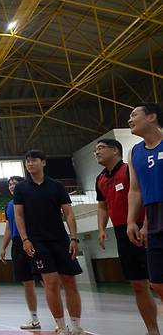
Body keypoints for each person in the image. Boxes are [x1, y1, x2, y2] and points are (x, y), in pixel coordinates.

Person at [14, 150, 84, 335]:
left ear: (43, 163)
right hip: (37, 242)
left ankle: (76, 326)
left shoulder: (57, 186)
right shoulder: (21, 188)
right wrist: (25, 239)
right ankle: (60, 326)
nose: (30, 164)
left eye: (34, 160)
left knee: (70, 282)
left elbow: (68, 213)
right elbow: (19, 215)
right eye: (27, 161)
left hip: (60, 240)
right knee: (51, 282)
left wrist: (73, 237)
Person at [95, 138, 159, 335]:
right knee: (138, 285)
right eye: (95, 150)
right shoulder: (100, 179)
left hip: (144, 228)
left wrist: (146, 224)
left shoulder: (129, 170)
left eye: (101, 148)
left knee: (157, 282)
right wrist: (102, 229)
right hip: (122, 233)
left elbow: (143, 195)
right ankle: (152, 331)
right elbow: (102, 206)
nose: (96, 152)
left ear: (115, 151)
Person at [127, 102, 163, 301]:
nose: (129, 119)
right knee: (156, 281)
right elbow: (135, 190)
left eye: (134, 114)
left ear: (152, 117)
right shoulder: (134, 152)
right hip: (153, 215)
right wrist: (133, 221)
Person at [0, 176, 39, 330]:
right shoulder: (9, 205)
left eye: (15, 183)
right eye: (9, 184)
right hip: (17, 243)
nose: (12, 186)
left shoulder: (31, 200)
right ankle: (34, 318)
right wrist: (3, 246)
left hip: (32, 240)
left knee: (46, 279)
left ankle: (60, 318)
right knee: (27, 282)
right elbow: (9, 228)